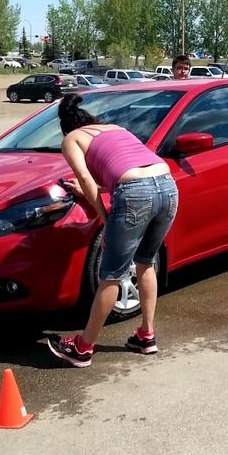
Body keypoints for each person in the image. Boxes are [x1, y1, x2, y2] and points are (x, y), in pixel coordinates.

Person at [46, 93, 178, 367]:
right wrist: (95, 189)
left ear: (66, 128)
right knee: (145, 263)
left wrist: (105, 218)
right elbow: (129, 171)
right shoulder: (117, 129)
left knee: (111, 276)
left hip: (135, 192)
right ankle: (146, 335)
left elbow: (86, 177)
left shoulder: (71, 139)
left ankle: (82, 348)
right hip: (167, 185)